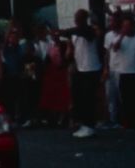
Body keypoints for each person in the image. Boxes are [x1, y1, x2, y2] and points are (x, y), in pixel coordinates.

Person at [61, 9, 102, 138]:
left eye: (78, 18)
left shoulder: (89, 30)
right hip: (80, 68)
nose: (76, 20)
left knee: (88, 98)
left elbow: (85, 34)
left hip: (91, 68)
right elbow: (71, 50)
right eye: (76, 18)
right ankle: (84, 124)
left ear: (84, 19)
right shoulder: (75, 33)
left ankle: (90, 126)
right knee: (79, 98)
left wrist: (66, 31)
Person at [112, 16, 135, 128]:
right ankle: (128, 121)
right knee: (125, 99)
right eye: (124, 26)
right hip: (123, 72)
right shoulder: (118, 38)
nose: (126, 28)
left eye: (128, 26)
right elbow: (115, 48)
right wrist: (122, 35)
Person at [39, 30, 71, 126]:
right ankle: (53, 118)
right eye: (53, 36)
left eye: (56, 36)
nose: (55, 37)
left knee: (63, 96)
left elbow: (66, 59)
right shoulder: (50, 47)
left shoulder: (63, 46)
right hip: (52, 73)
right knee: (52, 96)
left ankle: (63, 118)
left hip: (62, 73)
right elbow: (47, 60)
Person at [102, 12, 122, 128]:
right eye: (110, 21)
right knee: (110, 95)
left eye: (113, 21)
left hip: (122, 69)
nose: (111, 23)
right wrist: (105, 68)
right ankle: (113, 120)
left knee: (121, 95)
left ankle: (122, 120)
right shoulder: (108, 35)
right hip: (111, 68)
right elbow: (106, 53)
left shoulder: (125, 34)